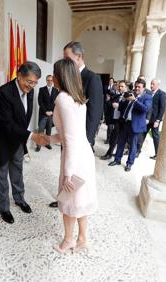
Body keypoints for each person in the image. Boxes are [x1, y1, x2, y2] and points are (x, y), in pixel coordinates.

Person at [34, 58, 97, 253]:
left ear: (60, 77)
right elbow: (72, 134)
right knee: (79, 202)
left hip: (74, 159)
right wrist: (49, 140)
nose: (52, 76)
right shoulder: (78, 98)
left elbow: (70, 139)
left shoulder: (62, 99)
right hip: (83, 154)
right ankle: (83, 238)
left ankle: (69, 240)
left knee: (69, 203)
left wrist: (68, 173)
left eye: (54, 73)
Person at [0, 61, 44, 224]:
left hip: (17, 140)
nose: (31, 86)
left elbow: (24, 118)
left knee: (17, 169)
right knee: (2, 174)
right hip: (2, 140)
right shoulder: (4, 93)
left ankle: (19, 198)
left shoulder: (30, 92)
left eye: (35, 83)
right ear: (19, 76)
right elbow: (6, 124)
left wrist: (24, 138)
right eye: (29, 82)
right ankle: (4, 207)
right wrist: (31, 136)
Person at [49, 41, 103, 209]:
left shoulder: (91, 78)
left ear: (79, 57)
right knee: (67, 171)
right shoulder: (65, 77)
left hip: (79, 139)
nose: (64, 61)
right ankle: (65, 198)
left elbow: (94, 112)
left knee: (76, 177)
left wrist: (86, 140)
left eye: (67, 57)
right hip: (69, 137)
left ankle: (71, 205)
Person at [108, 79, 152, 171]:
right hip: (125, 123)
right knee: (120, 142)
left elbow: (145, 109)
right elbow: (124, 106)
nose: (136, 88)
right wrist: (122, 102)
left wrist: (135, 100)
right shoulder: (132, 94)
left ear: (143, 88)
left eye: (139, 87)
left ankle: (129, 164)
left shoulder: (147, 97)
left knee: (132, 146)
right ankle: (117, 160)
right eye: (136, 86)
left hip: (135, 125)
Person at [137, 79, 166, 159]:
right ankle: (137, 151)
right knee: (142, 134)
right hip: (147, 119)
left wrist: (158, 120)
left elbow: (162, 108)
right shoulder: (148, 93)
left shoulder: (161, 94)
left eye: (153, 84)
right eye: (151, 84)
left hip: (155, 120)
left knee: (155, 137)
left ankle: (158, 154)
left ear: (157, 85)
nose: (151, 85)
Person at [100, 80, 127, 160]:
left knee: (114, 138)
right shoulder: (118, 95)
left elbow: (127, 108)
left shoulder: (128, 97)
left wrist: (118, 106)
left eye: (122, 86)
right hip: (114, 119)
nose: (120, 87)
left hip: (121, 121)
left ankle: (109, 154)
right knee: (113, 138)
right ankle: (111, 153)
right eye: (119, 86)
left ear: (126, 87)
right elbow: (109, 103)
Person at [36, 75, 59, 152]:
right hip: (43, 113)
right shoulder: (42, 89)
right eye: (48, 80)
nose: (50, 82)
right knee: (41, 130)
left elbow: (56, 103)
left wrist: (52, 111)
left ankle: (47, 143)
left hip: (51, 114)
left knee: (49, 130)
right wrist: (46, 111)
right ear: (46, 81)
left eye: (51, 80)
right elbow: (40, 102)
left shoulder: (56, 90)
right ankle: (38, 145)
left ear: (53, 81)